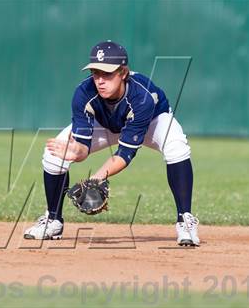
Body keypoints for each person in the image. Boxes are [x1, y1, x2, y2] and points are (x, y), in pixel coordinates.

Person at [24, 40, 200, 246]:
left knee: (176, 146)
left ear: (123, 73)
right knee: (54, 155)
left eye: (107, 74)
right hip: (105, 123)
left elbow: (124, 154)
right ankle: (53, 220)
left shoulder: (141, 97)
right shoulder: (83, 93)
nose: (100, 80)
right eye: (95, 73)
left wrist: (96, 179)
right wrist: (76, 152)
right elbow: (82, 145)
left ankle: (185, 220)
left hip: (152, 120)